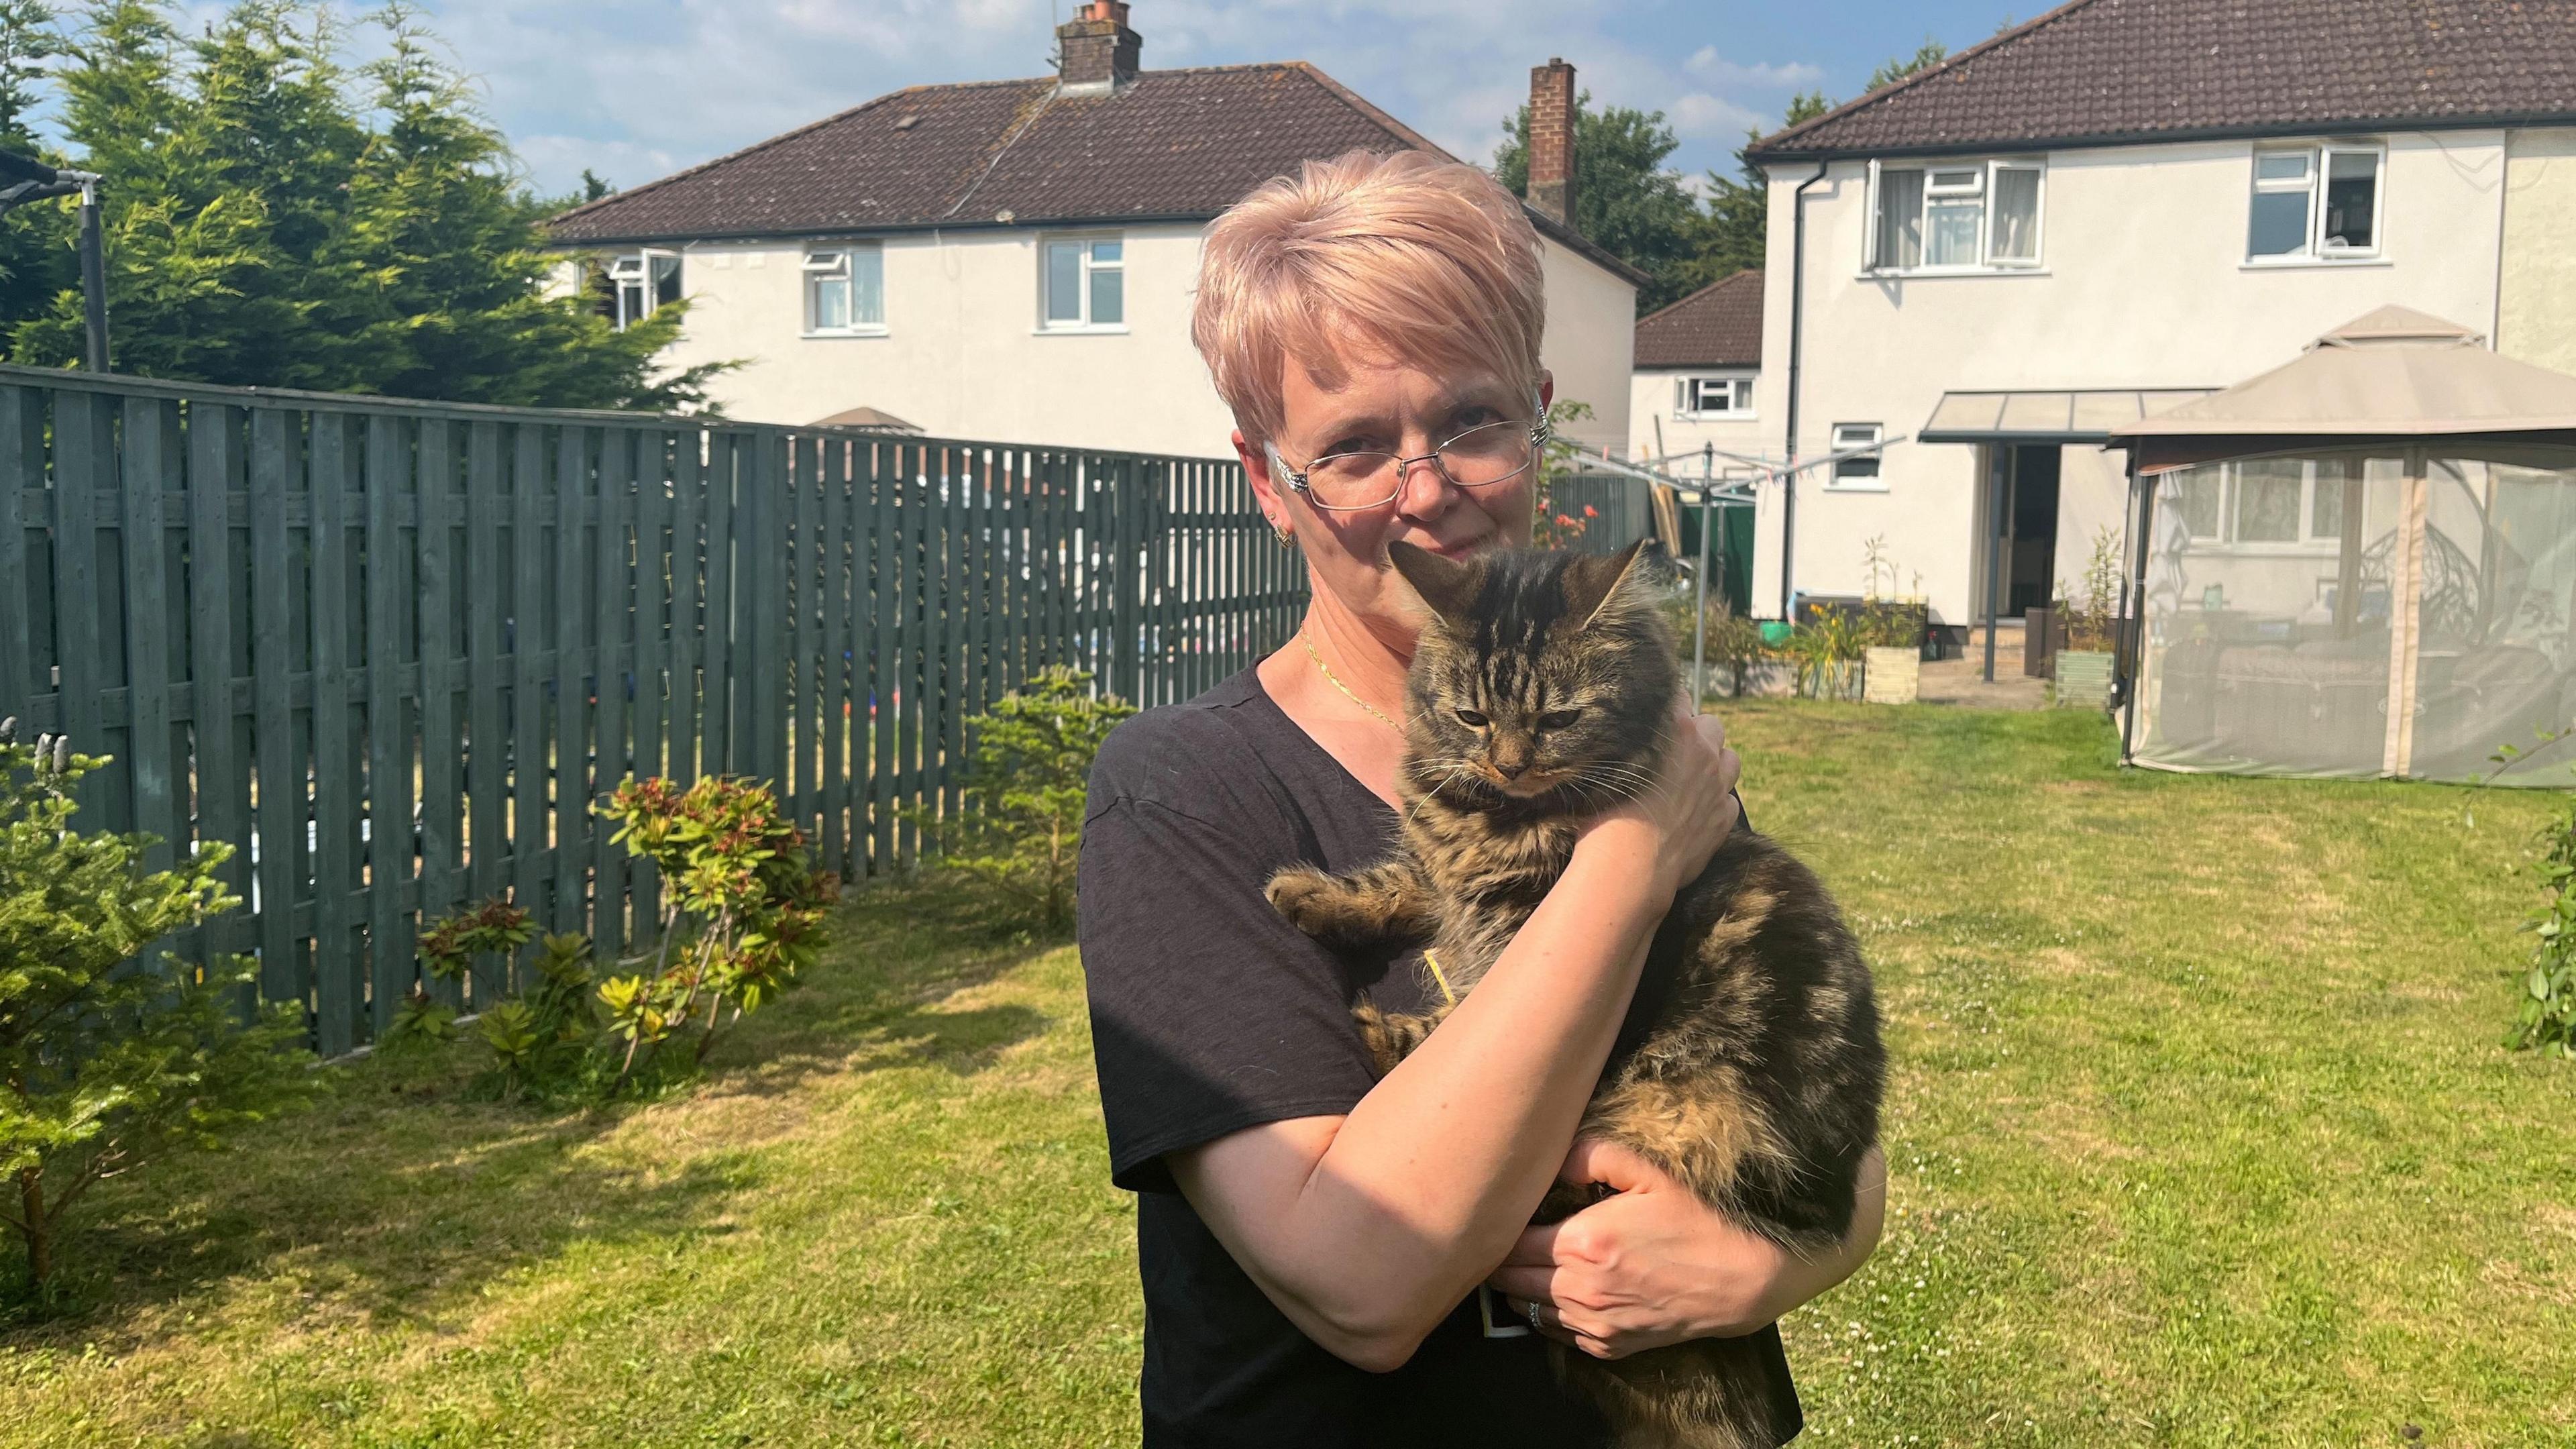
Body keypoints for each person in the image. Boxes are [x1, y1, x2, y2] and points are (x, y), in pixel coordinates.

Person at [1075, 149, 1886, 1447]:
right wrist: (1633, 858)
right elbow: (1362, 1284)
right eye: (1351, 448)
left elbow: (1823, 1105)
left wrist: (1773, 1265)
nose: (1428, 488)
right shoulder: (1185, 794)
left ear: (1540, 419)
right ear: (1264, 481)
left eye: (1470, 422)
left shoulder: (1628, 733)